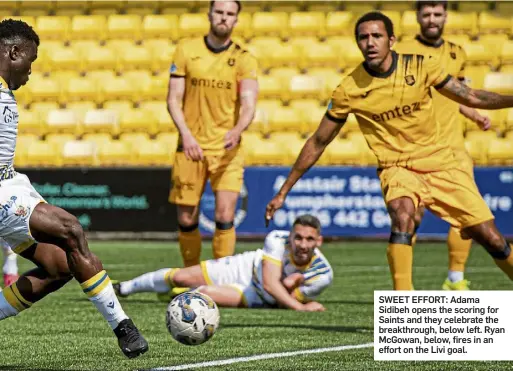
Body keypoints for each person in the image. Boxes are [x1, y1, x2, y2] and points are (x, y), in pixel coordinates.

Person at [265, 11, 513, 291]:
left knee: (492, 239)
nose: (370, 42)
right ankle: (403, 305)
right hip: (398, 168)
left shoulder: (422, 66)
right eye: (363, 37)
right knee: (402, 214)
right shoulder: (349, 89)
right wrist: (284, 190)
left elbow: (470, 96)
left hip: (443, 163)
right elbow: (318, 142)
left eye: (377, 36)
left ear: (391, 40)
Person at [0, 19, 147, 358]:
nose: (31, 72)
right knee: (70, 228)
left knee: (60, 268)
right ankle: (123, 326)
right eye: (31, 62)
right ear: (14, 52)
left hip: (11, 183)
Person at [394, 0, 491, 291]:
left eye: (438, 14)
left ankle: (455, 279)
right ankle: (404, 289)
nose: (432, 19)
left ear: (445, 16)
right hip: (416, 148)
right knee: (409, 215)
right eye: (427, 14)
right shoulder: (403, 51)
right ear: (418, 17)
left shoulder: (456, 53)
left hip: (453, 148)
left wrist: (474, 113)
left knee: (469, 215)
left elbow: (456, 93)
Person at [167, 0, 258, 267]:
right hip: (190, 145)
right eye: (219, 12)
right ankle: (191, 275)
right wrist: (186, 135)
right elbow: (173, 99)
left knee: (225, 213)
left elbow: (250, 102)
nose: (224, 18)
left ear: (236, 20)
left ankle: (221, 277)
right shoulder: (186, 50)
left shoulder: (244, 58)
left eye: (230, 14)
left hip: (227, 149)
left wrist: (238, 129)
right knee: (186, 218)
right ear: (209, 14)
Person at [114, 215, 332, 312]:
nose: (302, 244)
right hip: (245, 268)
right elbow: (270, 284)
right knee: (180, 276)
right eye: (298, 238)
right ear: (290, 236)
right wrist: (300, 307)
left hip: (255, 297)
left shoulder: (323, 274)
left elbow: (279, 297)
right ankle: (124, 288)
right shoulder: (277, 239)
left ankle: (174, 293)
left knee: (199, 296)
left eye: (309, 239)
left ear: (319, 241)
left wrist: (286, 290)